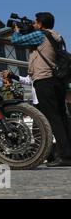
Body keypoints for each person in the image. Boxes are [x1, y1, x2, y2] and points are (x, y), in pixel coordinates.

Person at [11, 12, 71, 167]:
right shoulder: (56, 36)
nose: (34, 24)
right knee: (61, 117)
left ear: (41, 24)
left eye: (36, 22)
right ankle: (67, 153)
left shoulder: (40, 35)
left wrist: (16, 29)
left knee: (53, 118)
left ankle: (64, 156)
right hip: (57, 80)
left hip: (44, 80)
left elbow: (16, 41)